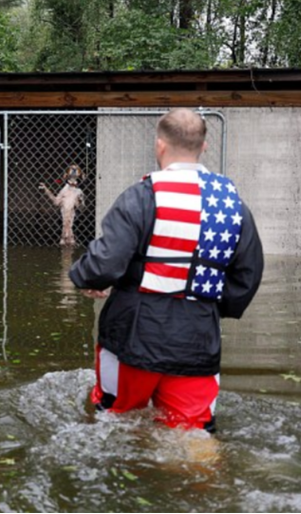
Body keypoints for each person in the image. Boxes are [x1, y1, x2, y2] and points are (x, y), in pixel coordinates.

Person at [69, 108, 264, 434]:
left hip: (134, 335)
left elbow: (105, 262)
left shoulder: (142, 196)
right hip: (198, 338)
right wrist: (210, 306)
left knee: (114, 422)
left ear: (159, 145)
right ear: (204, 146)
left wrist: (88, 278)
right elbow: (248, 274)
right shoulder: (232, 204)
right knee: (193, 434)